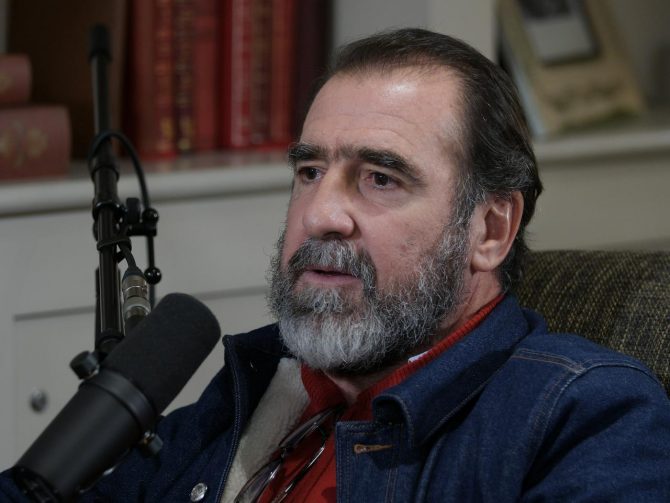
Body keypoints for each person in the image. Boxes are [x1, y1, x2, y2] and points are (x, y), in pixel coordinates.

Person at [2, 27, 670, 502]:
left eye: (381, 178)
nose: (321, 213)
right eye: (310, 171)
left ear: (490, 229)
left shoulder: (585, 415)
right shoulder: (256, 382)